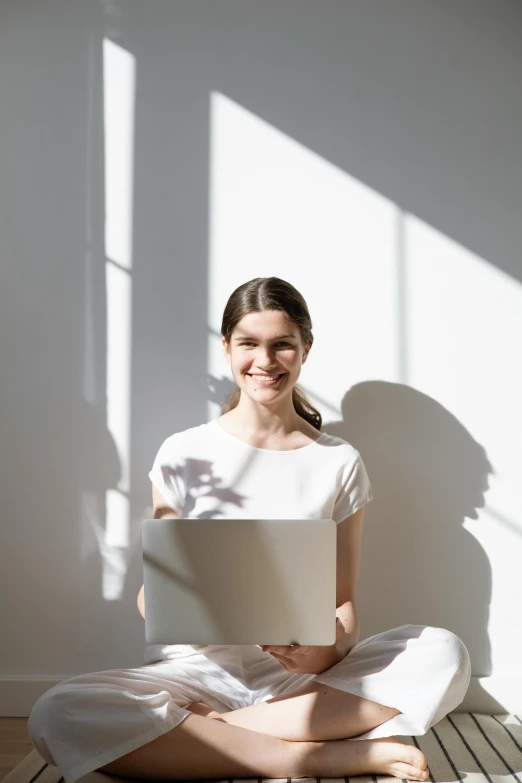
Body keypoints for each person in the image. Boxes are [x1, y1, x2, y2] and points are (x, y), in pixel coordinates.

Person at [27, 277, 471, 783]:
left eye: (282, 344)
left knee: (443, 653)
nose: (266, 361)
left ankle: (216, 733)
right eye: (249, 344)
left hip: (297, 684)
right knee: (57, 711)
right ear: (226, 347)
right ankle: (310, 755)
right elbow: (155, 597)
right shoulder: (183, 452)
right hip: (193, 672)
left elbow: (342, 606)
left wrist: (323, 651)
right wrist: (196, 609)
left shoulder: (339, 462)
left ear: (305, 348)